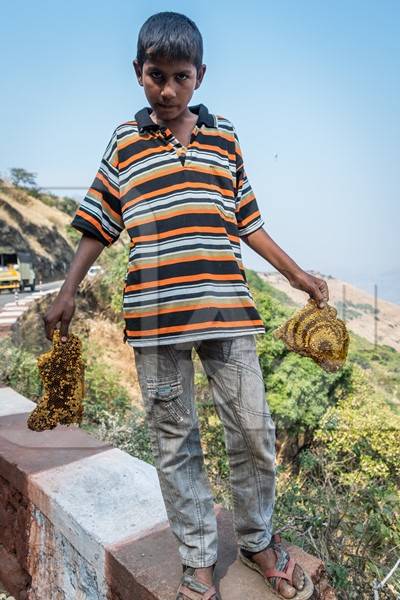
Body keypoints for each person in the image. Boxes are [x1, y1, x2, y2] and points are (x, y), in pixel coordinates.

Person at [43, 11, 329, 600]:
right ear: (137, 73)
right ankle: (198, 558)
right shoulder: (124, 143)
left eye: (180, 76)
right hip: (155, 319)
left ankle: (257, 541)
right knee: (176, 443)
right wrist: (69, 289)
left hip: (228, 313)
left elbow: (248, 221)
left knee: (253, 429)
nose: (167, 89)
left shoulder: (225, 138)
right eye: (155, 76)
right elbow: (99, 224)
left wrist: (298, 273)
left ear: (201, 75)